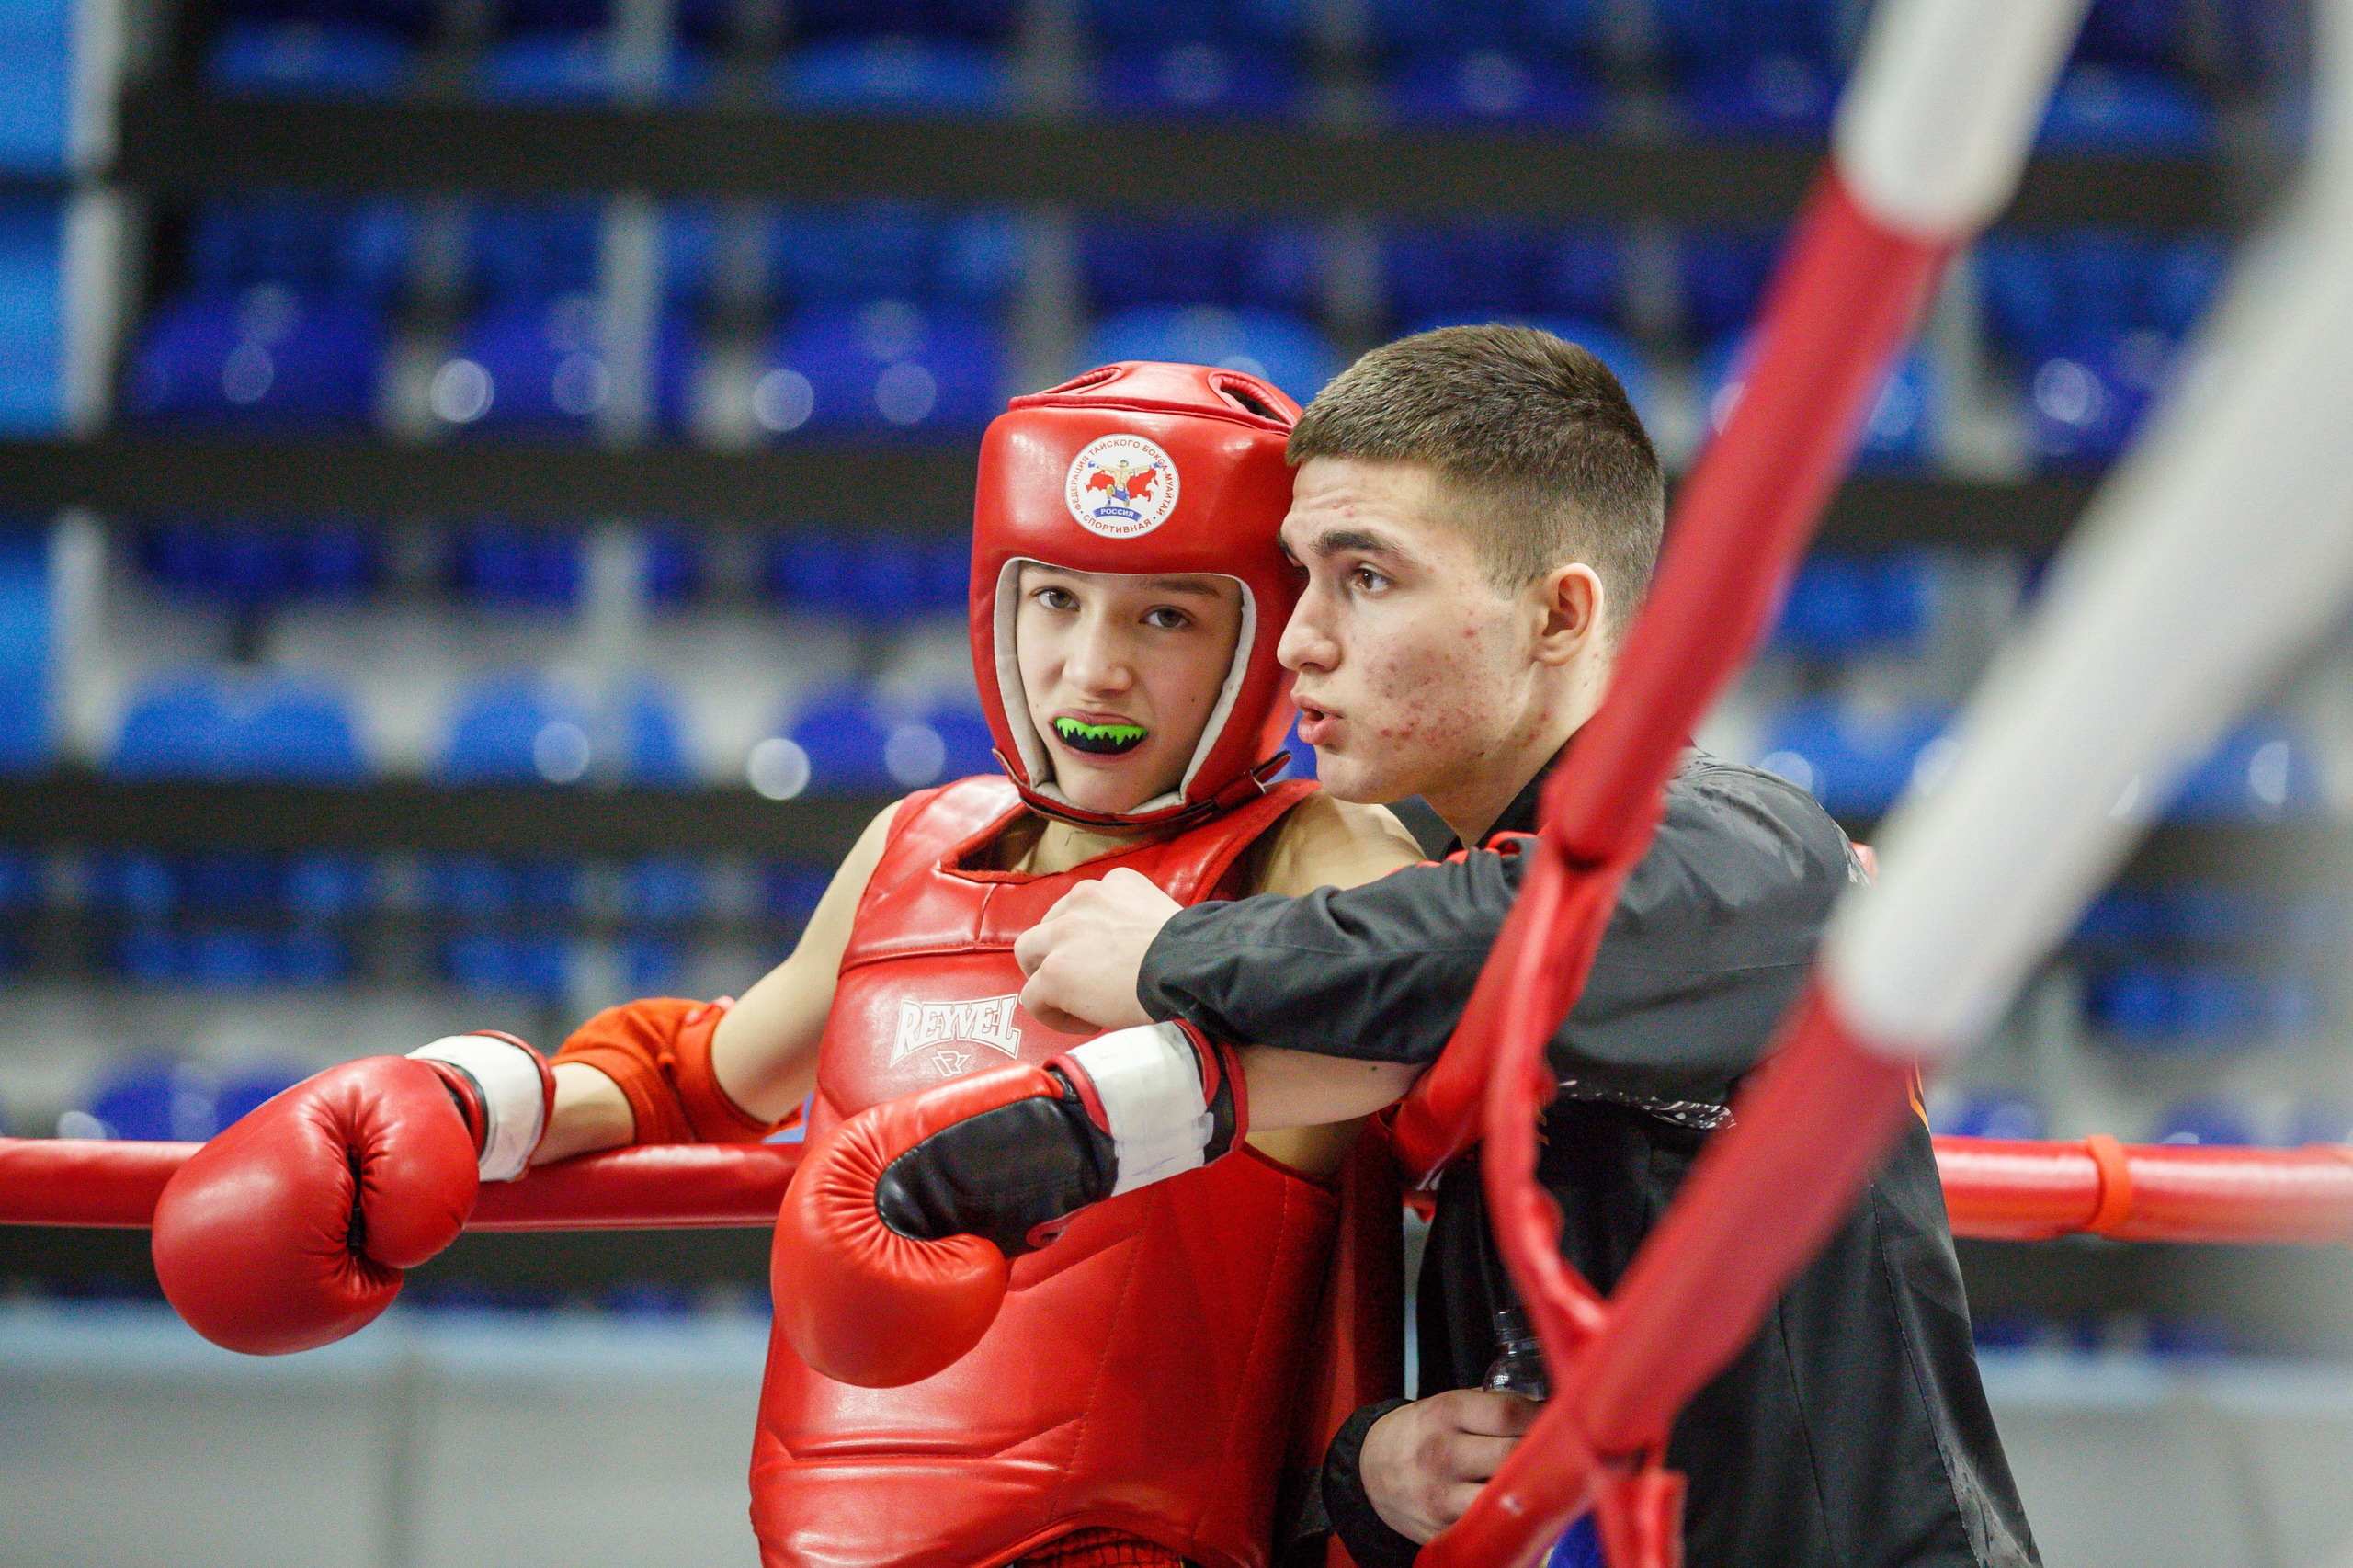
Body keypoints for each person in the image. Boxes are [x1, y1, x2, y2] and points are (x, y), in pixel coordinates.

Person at [784, 324, 2040, 1568]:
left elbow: (1518, 929)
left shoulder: (1743, 853)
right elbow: (1487, 1405)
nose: (1297, 640)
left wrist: (1178, 953)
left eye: (1366, 578)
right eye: (1299, 576)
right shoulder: (1443, 935)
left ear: (1558, 615)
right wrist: (1377, 1470)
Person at [150, 361, 1428, 1568]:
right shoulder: (916, 845)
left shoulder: (1317, 856)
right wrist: (472, 1101)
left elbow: (1390, 1045)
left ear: (1270, 637)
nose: (1092, 666)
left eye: (1165, 614)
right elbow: (708, 1077)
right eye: (1056, 598)